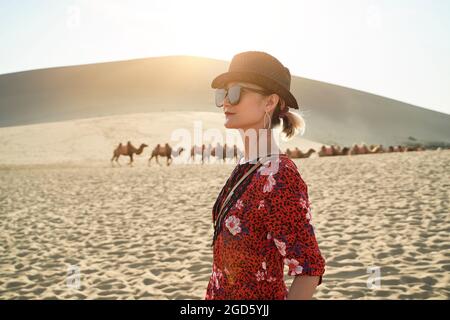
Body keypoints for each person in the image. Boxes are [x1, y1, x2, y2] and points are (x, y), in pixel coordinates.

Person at [205, 51, 325, 300]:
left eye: (236, 92)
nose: (226, 102)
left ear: (270, 102)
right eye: (223, 94)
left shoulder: (279, 176)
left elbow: (308, 269)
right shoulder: (247, 166)